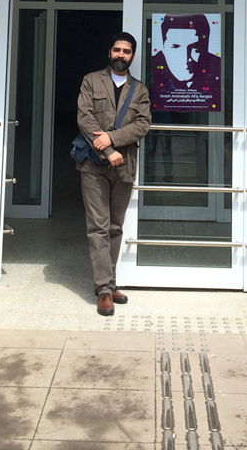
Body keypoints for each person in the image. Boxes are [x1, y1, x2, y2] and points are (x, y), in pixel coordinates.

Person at [76, 31, 151, 316]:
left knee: (115, 227)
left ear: (132, 56)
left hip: (124, 165)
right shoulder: (91, 80)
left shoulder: (140, 90)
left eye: (126, 51)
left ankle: (110, 281)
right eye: (117, 50)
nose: (121, 55)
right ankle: (104, 290)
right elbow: (85, 118)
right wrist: (108, 149)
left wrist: (112, 138)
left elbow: (143, 124)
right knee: (98, 227)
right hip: (93, 165)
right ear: (109, 52)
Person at [152, 13, 221, 111]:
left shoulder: (216, 68)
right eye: (176, 47)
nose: (186, 58)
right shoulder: (153, 69)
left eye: (195, 48)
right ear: (163, 48)